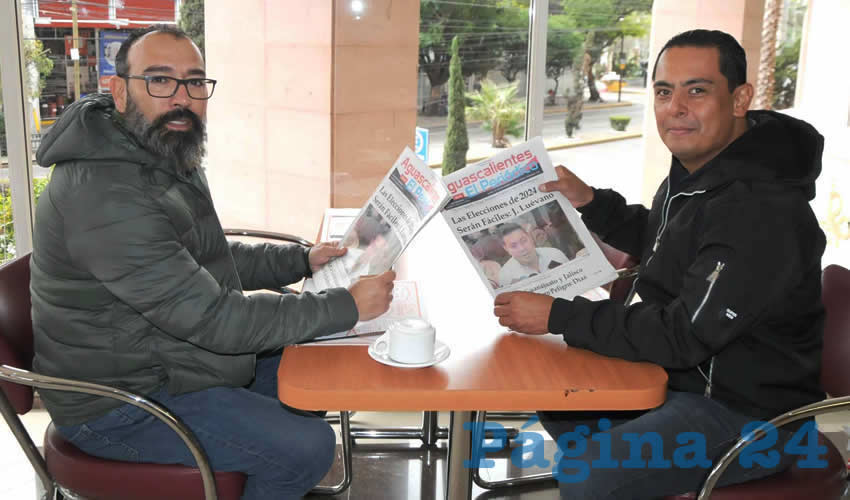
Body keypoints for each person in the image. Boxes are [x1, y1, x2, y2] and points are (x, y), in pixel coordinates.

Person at [30, 25, 395, 500]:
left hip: (168, 359)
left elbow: (205, 257)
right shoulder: (105, 195)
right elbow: (213, 319)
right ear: (119, 91)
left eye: (195, 82)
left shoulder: (155, 148)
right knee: (306, 448)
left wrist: (302, 260)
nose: (182, 98)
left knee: (318, 364)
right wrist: (346, 304)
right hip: (120, 403)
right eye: (160, 80)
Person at [493, 29, 826, 499]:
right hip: (686, 381)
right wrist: (592, 203)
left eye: (697, 90)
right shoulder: (705, 170)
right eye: (665, 92)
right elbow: (667, 239)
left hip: (752, 415)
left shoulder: (762, 210)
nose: (675, 108)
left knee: (588, 473)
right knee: (557, 398)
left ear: (740, 98)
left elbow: (684, 334)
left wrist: (557, 315)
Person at [497, 222, 569, 287]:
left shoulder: (554, 254)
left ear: (529, 237)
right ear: (506, 249)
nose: (522, 248)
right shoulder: (506, 276)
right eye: (513, 246)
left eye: (524, 241)